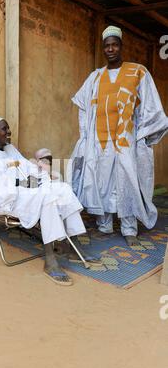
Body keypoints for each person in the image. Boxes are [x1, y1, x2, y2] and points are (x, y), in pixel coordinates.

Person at [0, 113, 101, 286]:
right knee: (46, 197)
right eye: (4, 129)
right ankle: (50, 260)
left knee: (62, 189)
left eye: (8, 128)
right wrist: (20, 183)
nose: (9, 132)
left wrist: (41, 175)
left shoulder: (9, 149)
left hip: (23, 192)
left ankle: (70, 246)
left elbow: (28, 167)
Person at [71, 25, 168, 247]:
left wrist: (143, 134)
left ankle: (129, 227)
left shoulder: (138, 72)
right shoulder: (95, 77)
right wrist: (85, 136)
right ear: (103, 49)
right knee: (101, 181)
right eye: (107, 46)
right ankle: (104, 223)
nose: (111, 49)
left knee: (127, 182)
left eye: (114, 44)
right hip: (99, 141)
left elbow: (151, 106)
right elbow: (83, 106)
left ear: (121, 46)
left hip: (126, 140)